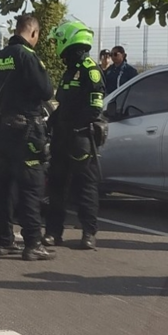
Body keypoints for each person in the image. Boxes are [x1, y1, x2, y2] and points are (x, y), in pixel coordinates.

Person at [0, 14, 55, 261]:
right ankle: (32, 244)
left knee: (4, 186)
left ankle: (3, 241)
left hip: (3, 129)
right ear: (33, 33)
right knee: (30, 187)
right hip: (27, 130)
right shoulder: (28, 56)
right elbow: (46, 90)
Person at [44, 21, 107, 251]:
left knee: (85, 187)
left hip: (80, 139)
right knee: (56, 187)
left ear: (68, 40)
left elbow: (94, 108)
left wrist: (72, 126)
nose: (57, 45)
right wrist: (50, 123)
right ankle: (53, 233)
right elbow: (64, 104)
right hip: (62, 137)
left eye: (59, 40)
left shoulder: (91, 69)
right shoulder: (70, 69)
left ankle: (89, 233)